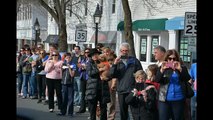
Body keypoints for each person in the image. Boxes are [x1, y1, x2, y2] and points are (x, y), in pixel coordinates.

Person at [109, 42, 143, 120]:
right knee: (123, 111)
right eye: (122, 50)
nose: (124, 52)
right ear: (120, 51)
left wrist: (138, 86)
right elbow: (112, 75)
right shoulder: (117, 61)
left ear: (129, 51)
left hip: (132, 89)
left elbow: (140, 73)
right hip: (121, 89)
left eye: (126, 50)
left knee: (135, 110)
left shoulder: (134, 61)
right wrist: (114, 64)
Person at [156, 49, 191, 120]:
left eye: (174, 59)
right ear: (166, 59)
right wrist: (162, 70)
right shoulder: (163, 67)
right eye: (169, 58)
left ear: (177, 59)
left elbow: (187, 79)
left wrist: (180, 69)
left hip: (178, 98)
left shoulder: (182, 68)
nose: (172, 61)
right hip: (164, 98)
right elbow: (157, 80)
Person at [85, 48, 111, 120]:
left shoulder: (103, 62)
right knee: (92, 109)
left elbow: (109, 74)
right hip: (92, 88)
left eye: (96, 54)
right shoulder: (89, 63)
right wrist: (99, 70)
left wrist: (107, 78)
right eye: (93, 55)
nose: (95, 56)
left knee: (103, 108)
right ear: (91, 56)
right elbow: (90, 73)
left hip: (103, 87)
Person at [76, 48, 91, 113]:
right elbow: (79, 70)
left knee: (89, 94)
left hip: (89, 78)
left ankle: (90, 109)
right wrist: (80, 67)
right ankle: (82, 108)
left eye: (88, 52)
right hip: (83, 77)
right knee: (82, 93)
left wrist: (85, 67)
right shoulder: (83, 59)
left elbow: (91, 68)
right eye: (85, 52)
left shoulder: (91, 60)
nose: (86, 53)